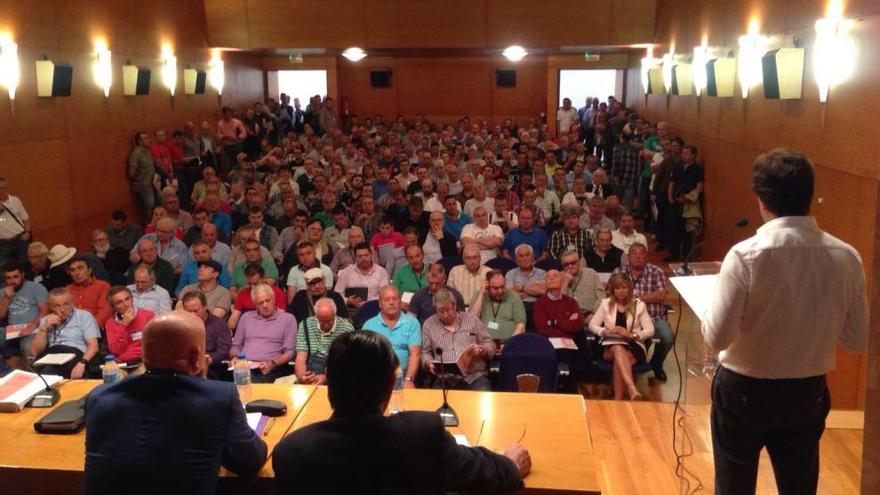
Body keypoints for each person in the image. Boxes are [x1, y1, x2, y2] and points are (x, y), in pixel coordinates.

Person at [702, 149, 868, 495]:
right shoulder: (847, 256)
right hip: (806, 392)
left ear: (761, 199)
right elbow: (857, 339)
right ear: (810, 194)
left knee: (734, 487)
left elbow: (717, 337)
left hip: (743, 392)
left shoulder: (746, 255)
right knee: (799, 486)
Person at [272, 331, 528, 494]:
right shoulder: (421, 434)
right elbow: (478, 472)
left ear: (331, 384)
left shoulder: (291, 452)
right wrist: (511, 464)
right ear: (387, 387)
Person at [84, 311, 267, 494]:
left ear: (144, 354)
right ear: (197, 357)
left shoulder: (100, 398)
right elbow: (249, 461)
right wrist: (201, 381)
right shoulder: (218, 398)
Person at [588, 273, 654, 400]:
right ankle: (631, 388)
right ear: (612, 290)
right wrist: (603, 331)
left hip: (633, 345)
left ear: (629, 288)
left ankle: (618, 400)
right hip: (610, 345)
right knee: (618, 348)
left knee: (620, 362)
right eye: (617, 288)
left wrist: (631, 334)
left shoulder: (639, 305)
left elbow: (650, 330)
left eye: (624, 288)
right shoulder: (605, 303)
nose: (621, 291)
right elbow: (592, 325)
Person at [613, 243, 672, 381]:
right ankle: (628, 367)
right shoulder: (619, 272)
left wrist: (636, 299)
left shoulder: (656, 271)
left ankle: (657, 363)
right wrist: (648, 298)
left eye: (641, 253)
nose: (638, 256)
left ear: (646, 256)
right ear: (628, 256)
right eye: (634, 253)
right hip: (627, 318)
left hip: (654, 317)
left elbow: (661, 295)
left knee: (667, 336)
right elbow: (611, 295)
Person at [421, 288, 496, 391]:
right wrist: (428, 362)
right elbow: (425, 352)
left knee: (485, 399)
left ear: (454, 306)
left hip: (473, 376)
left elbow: (490, 344)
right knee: (433, 404)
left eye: (448, 310)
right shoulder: (429, 325)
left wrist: (481, 350)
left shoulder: (472, 320)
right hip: (445, 378)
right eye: (440, 311)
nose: (445, 315)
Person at [230, 284, 296, 383]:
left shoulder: (288, 319)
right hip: (244, 366)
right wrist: (235, 357)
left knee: (254, 382)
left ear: (274, 299)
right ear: (255, 304)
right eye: (260, 303)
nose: (265, 305)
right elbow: (236, 345)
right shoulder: (246, 317)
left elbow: (290, 352)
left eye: (268, 301)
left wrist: (272, 363)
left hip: (271, 367)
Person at [30, 288, 101, 379]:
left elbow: (93, 346)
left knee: (48, 373)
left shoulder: (84, 316)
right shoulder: (45, 320)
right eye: (57, 306)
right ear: (51, 307)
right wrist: (45, 328)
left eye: (66, 304)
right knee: (46, 369)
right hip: (52, 356)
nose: (62, 309)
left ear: (72, 303)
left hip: (75, 355)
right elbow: (34, 351)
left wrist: (82, 363)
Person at [362, 285, 420, 386]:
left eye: (395, 299)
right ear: (380, 304)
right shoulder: (369, 325)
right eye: (387, 299)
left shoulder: (412, 323)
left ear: (400, 302)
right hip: (376, 378)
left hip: (404, 377)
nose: (392, 302)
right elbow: (364, 356)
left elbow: (415, 354)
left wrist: (409, 379)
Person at [534, 270, 586, 377]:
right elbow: (542, 329)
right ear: (545, 283)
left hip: (570, 343)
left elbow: (577, 325)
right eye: (548, 277)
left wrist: (554, 322)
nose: (552, 278)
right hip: (550, 343)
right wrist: (567, 323)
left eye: (555, 276)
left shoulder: (571, 302)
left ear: (562, 280)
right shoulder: (539, 303)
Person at [294, 297, 355, 385]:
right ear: (316, 316)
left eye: (329, 321)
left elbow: (348, 363)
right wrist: (302, 377)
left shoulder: (347, 328)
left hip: (336, 374)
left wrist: (327, 378)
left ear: (335, 315)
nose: (326, 325)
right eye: (322, 321)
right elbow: (300, 358)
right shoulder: (305, 325)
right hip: (311, 373)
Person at [179, 290, 231, 380]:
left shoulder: (219, 324)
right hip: (185, 367)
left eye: (196, 311)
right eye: (189, 311)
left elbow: (224, 350)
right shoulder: (179, 325)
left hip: (211, 368)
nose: (192, 315)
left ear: (205, 306)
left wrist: (207, 360)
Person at [469, 269, 526, 342]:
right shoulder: (479, 295)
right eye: (496, 288)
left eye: (502, 286)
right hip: (483, 344)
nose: (500, 291)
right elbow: (471, 321)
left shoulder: (514, 298)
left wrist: (509, 344)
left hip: (508, 344)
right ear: (488, 286)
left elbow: (521, 326)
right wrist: (481, 294)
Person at [105, 286, 152, 371]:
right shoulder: (110, 323)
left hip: (143, 362)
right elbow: (115, 350)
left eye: (127, 299)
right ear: (114, 307)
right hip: (121, 364)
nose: (126, 304)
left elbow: (151, 346)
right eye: (119, 302)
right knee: (112, 377)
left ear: (132, 299)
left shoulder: (148, 315)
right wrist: (124, 325)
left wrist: (127, 355)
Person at [227, 263, 287, 330]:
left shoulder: (277, 292)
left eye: (255, 283)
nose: (252, 287)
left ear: (263, 278)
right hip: (248, 329)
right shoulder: (243, 293)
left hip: (271, 328)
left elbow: (282, 317)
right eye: (249, 284)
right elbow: (234, 317)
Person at [334, 242, 390, 309]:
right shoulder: (347, 271)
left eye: (366, 255)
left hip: (374, 309)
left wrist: (367, 303)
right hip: (351, 309)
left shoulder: (381, 272)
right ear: (355, 258)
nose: (363, 258)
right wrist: (347, 301)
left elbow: (384, 294)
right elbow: (337, 294)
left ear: (371, 255)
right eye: (360, 256)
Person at [66, 256, 112, 327]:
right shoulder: (67, 290)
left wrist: (88, 329)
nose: (77, 273)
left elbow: (104, 312)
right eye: (73, 270)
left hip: (96, 330)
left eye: (80, 268)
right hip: (72, 331)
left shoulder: (103, 286)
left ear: (89, 270)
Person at [560, 250, 604, 318]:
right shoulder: (559, 277)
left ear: (579, 262)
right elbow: (557, 303)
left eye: (573, 263)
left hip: (589, 314)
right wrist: (565, 283)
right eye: (566, 264)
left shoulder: (591, 273)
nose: (570, 266)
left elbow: (601, 296)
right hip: (568, 316)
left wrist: (594, 313)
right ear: (562, 266)